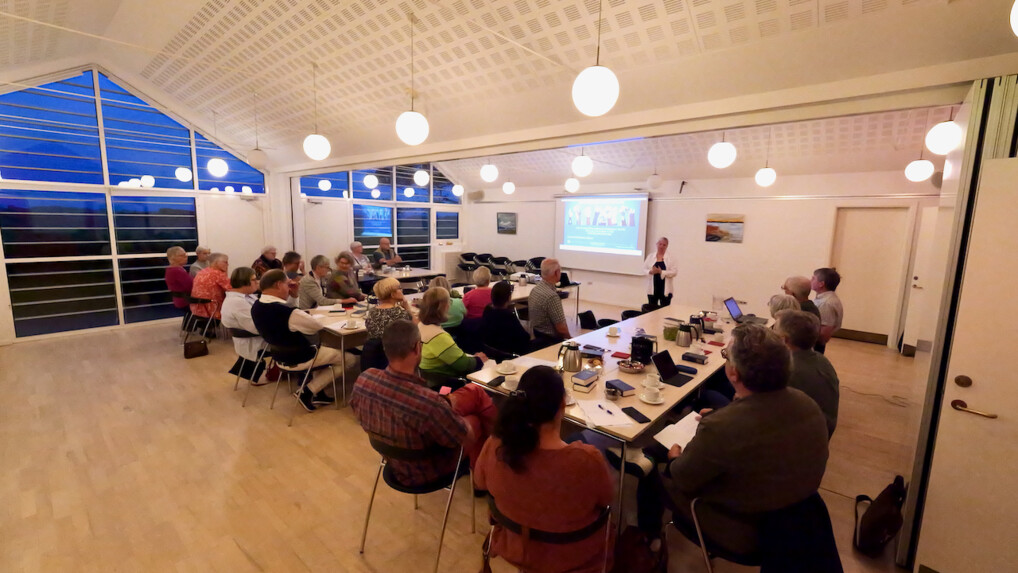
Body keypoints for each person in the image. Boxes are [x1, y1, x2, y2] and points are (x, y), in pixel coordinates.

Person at [638, 324, 829, 556]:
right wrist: (725, 416)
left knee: (650, 463)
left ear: (734, 372)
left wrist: (674, 457)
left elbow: (683, 477)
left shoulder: (722, 427)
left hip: (745, 533)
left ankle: (647, 537)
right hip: (799, 521)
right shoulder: (807, 404)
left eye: (726, 356)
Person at [474, 366, 615, 572]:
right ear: (563, 404)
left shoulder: (496, 445)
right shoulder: (587, 460)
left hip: (516, 546)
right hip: (575, 556)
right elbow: (607, 500)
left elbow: (479, 482)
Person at [350, 319, 496, 482]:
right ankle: (487, 474)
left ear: (386, 349)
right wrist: (452, 413)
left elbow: (359, 412)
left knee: (472, 392)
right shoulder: (426, 401)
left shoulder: (364, 379)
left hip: (393, 458)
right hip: (430, 468)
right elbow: (464, 438)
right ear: (417, 348)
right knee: (475, 419)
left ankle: (488, 470)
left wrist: (445, 407)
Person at [251, 270, 351, 411]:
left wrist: (294, 295)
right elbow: (316, 326)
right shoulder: (287, 312)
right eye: (287, 284)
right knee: (348, 359)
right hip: (300, 356)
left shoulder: (257, 305)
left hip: (279, 354)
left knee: (323, 349)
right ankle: (308, 391)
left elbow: (295, 314)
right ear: (279, 284)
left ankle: (319, 392)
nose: (290, 287)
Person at [776, 310, 840, 437]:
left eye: (775, 332)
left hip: (800, 442)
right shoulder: (823, 361)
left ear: (784, 340)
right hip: (821, 434)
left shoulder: (788, 371)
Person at [417, 287, 487, 379]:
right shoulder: (438, 336)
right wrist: (479, 360)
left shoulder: (420, 326)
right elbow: (463, 365)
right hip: (445, 382)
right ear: (445, 306)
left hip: (428, 379)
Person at [221, 267, 269, 384]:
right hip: (255, 342)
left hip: (253, 338)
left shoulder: (247, 297)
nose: (257, 282)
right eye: (254, 279)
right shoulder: (237, 302)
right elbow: (257, 328)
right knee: (300, 340)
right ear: (244, 282)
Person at [481, 281, 532, 356]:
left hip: (491, 350)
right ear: (509, 297)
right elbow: (524, 337)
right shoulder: (507, 316)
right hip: (508, 353)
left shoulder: (487, 310)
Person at [528, 258, 570, 344]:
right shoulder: (552, 297)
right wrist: (572, 340)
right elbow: (561, 329)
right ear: (556, 273)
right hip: (551, 340)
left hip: (537, 335)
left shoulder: (535, 290)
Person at [811, 267, 844, 354]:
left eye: (813, 278)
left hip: (816, 345)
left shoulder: (825, 303)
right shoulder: (824, 299)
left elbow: (824, 334)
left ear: (821, 284)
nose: (810, 280)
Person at [190, 252, 230, 322]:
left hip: (196, 309)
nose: (228, 264)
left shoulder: (201, 272)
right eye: (225, 262)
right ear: (216, 262)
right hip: (213, 310)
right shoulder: (218, 274)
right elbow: (232, 289)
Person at [643, 237, 679, 308]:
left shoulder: (671, 258)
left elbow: (674, 272)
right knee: (651, 311)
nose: (662, 246)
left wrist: (661, 272)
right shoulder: (650, 257)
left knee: (665, 311)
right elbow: (644, 269)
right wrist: (651, 271)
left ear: (667, 246)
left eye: (664, 245)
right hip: (653, 289)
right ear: (657, 244)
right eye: (660, 244)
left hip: (665, 289)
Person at [164, 246, 193, 311]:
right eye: (182, 255)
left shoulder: (173, 269)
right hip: (185, 301)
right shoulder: (176, 270)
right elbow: (191, 286)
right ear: (173, 258)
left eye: (186, 254)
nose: (186, 257)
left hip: (181, 299)